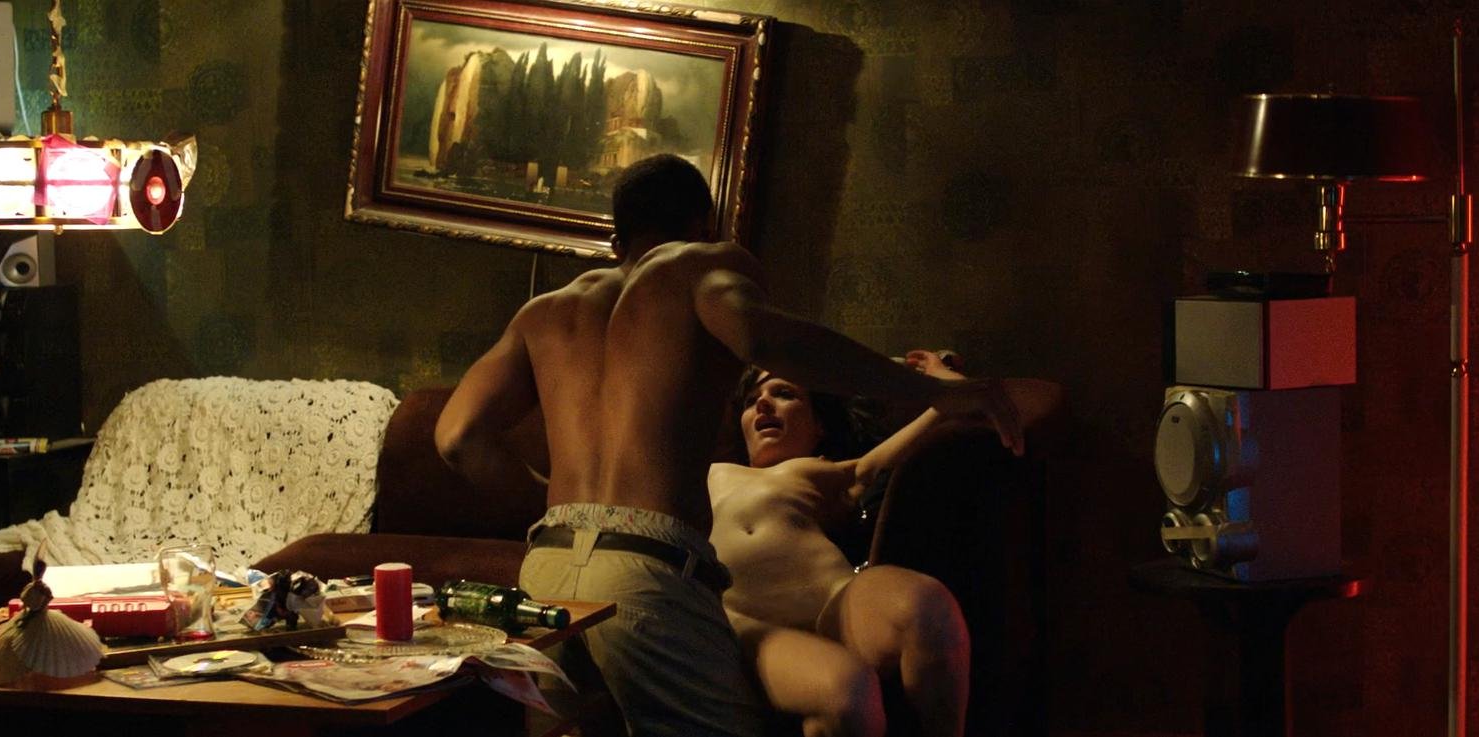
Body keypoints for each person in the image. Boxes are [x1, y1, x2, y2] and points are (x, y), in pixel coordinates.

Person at [433, 153, 1022, 737]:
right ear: (701, 226)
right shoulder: (700, 265)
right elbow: (760, 339)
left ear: (617, 240)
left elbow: (457, 437)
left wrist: (559, 505)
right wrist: (933, 390)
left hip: (547, 564)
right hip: (645, 567)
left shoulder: (543, 313)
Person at [711, 351, 1046, 737]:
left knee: (928, 610)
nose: (764, 403)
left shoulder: (819, 470)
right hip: (748, 623)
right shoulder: (712, 472)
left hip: (835, 602)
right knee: (848, 696)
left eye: (784, 393)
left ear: (819, 425)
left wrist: (941, 380)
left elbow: (923, 429)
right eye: (751, 400)